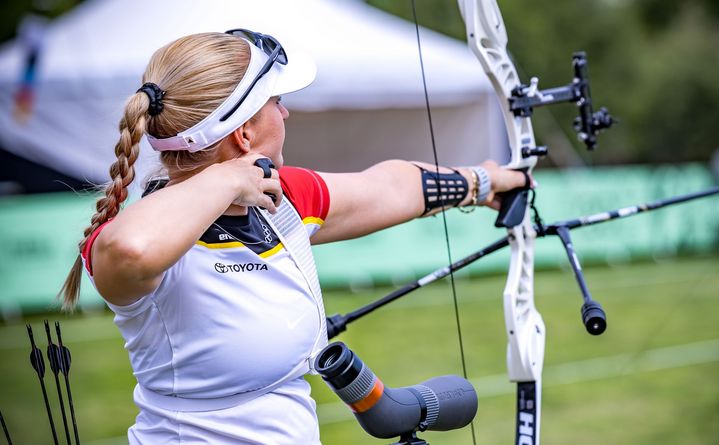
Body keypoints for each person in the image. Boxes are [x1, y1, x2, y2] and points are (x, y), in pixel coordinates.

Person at [59, 29, 527, 444]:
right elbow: (128, 249)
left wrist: (484, 181)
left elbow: (390, 187)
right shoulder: (148, 238)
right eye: (274, 103)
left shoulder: (282, 203)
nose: (286, 111)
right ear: (244, 134)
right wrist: (226, 180)